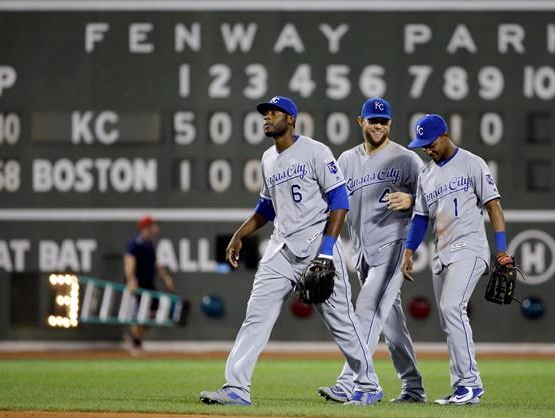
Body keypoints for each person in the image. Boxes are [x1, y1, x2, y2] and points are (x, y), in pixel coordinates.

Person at [199, 96, 383, 406]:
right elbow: (267, 206)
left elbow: (340, 200)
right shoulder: (268, 159)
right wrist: (239, 234)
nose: (267, 118)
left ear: (291, 119)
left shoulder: (315, 151)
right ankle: (236, 389)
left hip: (317, 246)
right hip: (280, 248)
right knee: (256, 316)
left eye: (274, 113)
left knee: (342, 321)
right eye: (265, 114)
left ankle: (368, 384)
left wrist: (326, 252)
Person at [318, 98, 426, 404]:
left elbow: (436, 200)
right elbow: (333, 202)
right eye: (372, 120)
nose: (378, 125)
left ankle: (352, 381)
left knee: (365, 309)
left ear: (390, 124)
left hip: (392, 247)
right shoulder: (346, 160)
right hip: (362, 253)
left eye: (384, 121)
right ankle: (414, 388)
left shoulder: (406, 160)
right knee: (391, 325)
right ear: (360, 122)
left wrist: (413, 201)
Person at [401, 114, 512, 405]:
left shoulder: (472, 163)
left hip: (470, 247)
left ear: (445, 135)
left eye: (431, 142)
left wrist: (502, 250)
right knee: (448, 319)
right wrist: (409, 251)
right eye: (422, 145)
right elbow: (421, 218)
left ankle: (471, 384)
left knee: (452, 307)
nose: (427, 149)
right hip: (442, 253)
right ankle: (462, 387)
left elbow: (494, 206)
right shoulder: (426, 174)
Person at [123, 215, 174, 355]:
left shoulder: (150, 243)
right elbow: (129, 261)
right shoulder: (136, 243)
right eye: (154, 225)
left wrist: (166, 278)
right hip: (139, 285)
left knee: (154, 314)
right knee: (141, 314)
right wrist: (131, 279)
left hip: (149, 285)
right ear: (147, 228)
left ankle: (134, 337)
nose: (157, 228)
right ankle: (135, 343)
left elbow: (156, 264)